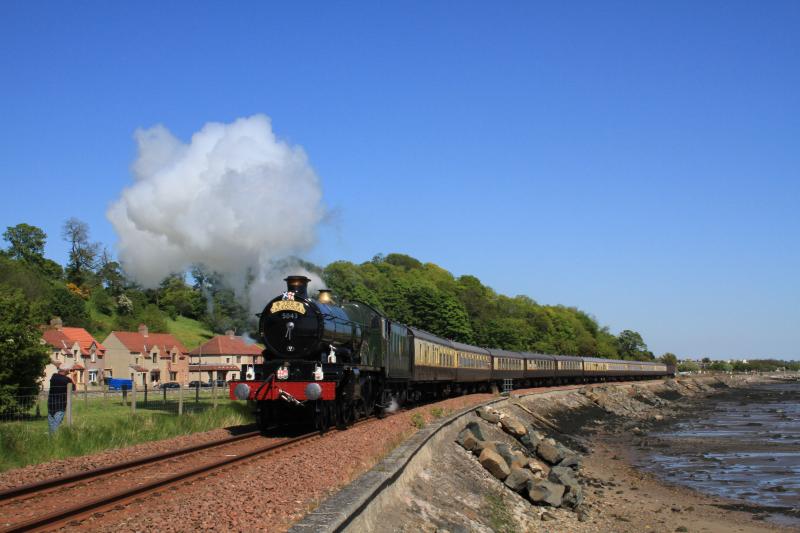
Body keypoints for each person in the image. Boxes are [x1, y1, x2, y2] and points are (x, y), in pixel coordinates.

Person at [48, 364, 75, 435]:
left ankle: (51, 439)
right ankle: (54, 439)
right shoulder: (67, 380)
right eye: (68, 370)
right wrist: (72, 376)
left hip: (51, 403)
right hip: (60, 404)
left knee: (51, 423)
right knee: (56, 423)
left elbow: (59, 375)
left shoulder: (53, 376)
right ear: (66, 371)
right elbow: (74, 388)